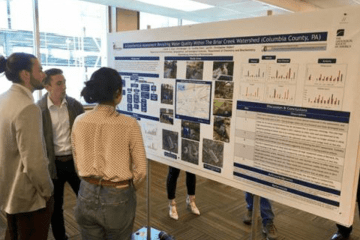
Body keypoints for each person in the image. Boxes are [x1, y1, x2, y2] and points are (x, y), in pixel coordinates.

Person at [71, 67, 147, 240]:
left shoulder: (79, 120)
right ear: (117, 92)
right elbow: (141, 170)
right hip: (118, 194)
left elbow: (77, 160)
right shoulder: (129, 124)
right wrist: (128, 187)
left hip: (86, 191)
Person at [0, 53, 54, 240]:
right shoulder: (28, 108)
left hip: (7, 191)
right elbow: (34, 161)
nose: (43, 74)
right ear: (25, 75)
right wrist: (47, 191)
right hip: (28, 198)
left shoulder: (3, 99)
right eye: (39, 70)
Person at [37, 68, 84, 240]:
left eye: (64, 82)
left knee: (87, 200)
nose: (64, 86)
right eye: (59, 83)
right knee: (56, 207)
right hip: (53, 165)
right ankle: (60, 237)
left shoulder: (74, 105)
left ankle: (90, 234)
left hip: (74, 162)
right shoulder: (38, 110)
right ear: (47, 86)